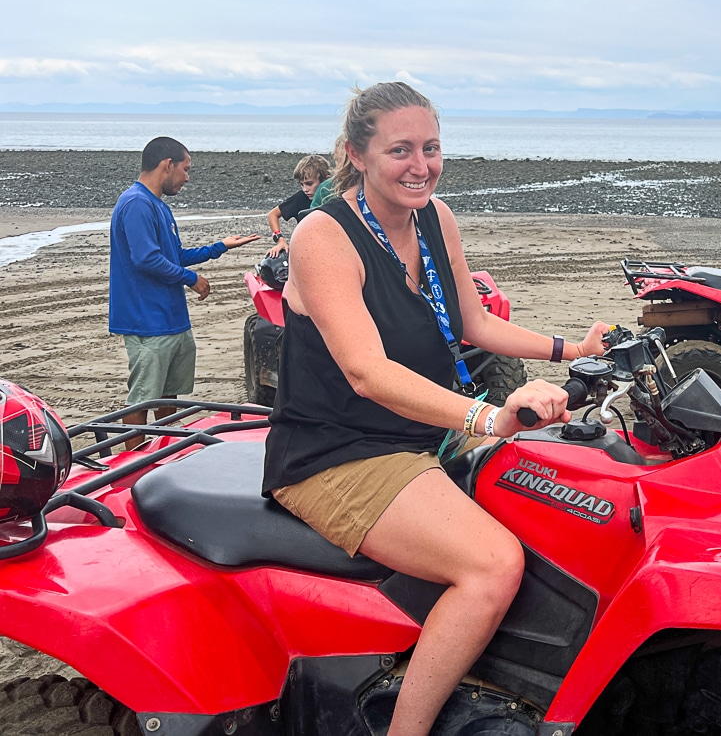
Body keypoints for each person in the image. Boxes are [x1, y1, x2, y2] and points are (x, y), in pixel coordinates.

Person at [262, 82, 608, 736]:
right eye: (400, 150)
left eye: (431, 147)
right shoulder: (323, 236)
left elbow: (473, 321)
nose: (420, 164)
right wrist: (488, 417)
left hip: (422, 435)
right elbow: (366, 372)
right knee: (492, 564)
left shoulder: (433, 217)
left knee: (569, 494)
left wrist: (573, 349)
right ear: (356, 154)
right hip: (338, 452)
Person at [109, 136, 261, 447]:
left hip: (171, 318)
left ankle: (162, 453)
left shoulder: (159, 206)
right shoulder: (136, 203)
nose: (188, 177)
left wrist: (219, 247)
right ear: (167, 165)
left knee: (169, 395)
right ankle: (133, 464)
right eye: (186, 169)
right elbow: (146, 259)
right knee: (142, 398)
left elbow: (172, 255)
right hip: (146, 320)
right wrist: (190, 279)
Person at [265, 154, 331, 257]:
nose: (305, 189)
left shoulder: (335, 199)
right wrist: (280, 240)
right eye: (302, 184)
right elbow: (272, 214)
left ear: (326, 180)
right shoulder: (300, 198)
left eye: (309, 184)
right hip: (306, 251)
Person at [306, 135, 344, 211]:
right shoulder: (325, 188)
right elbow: (313, 217)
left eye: (345, 160)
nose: (341, 165)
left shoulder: (369, 185)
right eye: (337, 160)